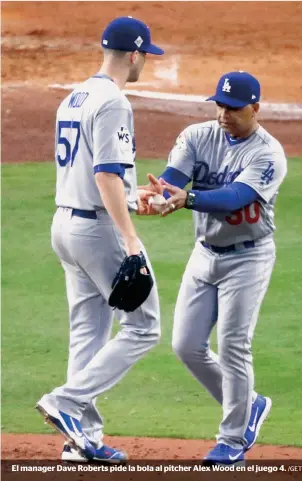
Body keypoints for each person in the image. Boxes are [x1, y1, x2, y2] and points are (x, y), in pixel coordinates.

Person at [35, 17, 164, 464]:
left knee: (88, 333)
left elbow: (98, 173)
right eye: (146, 55)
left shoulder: (73, 98)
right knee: (145, 326)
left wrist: (131, 196)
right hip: (97, 229)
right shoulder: (113, 102)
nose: (145, 63)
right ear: (134, 55)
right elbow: (105, 172)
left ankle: (81, 441)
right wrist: (130, 239)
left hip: (65, 225)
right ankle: (66, 402)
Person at [144, 71, 287, 465]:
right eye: (220, 105)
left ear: (255, 108)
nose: (223, 113)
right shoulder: (196, 136)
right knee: (186, 346)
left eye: (233, 108)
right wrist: (157, 195)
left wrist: (184, 200)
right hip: (205, 252)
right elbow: (172, 181)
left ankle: (232, 439)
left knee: (234, 344)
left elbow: (233, 198)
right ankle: (249, 405)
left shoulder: (268, 153)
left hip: (249, 256)